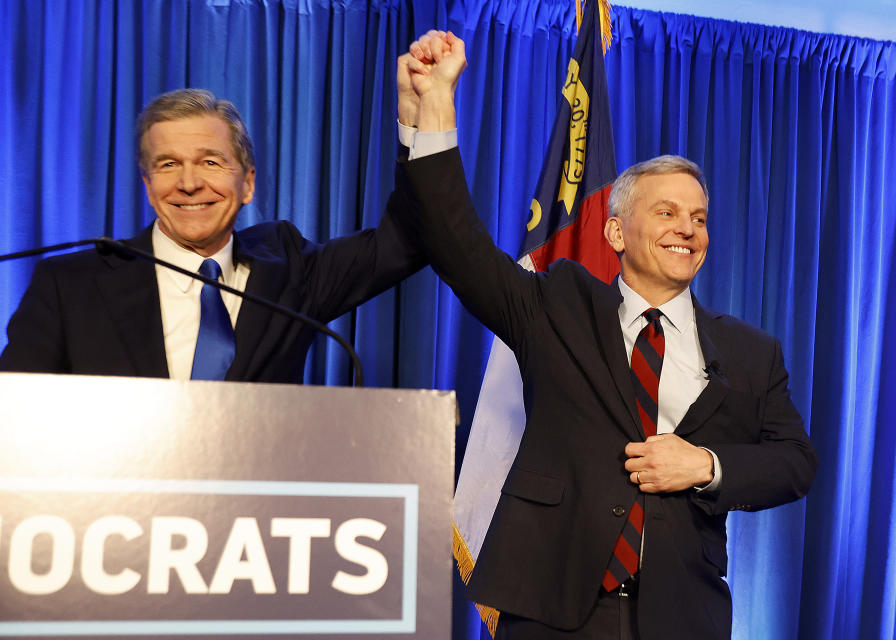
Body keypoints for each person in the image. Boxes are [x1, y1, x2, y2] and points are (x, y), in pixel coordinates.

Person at [398, 32, 817, 638]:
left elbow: (795, 463)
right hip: (551, 609)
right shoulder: (558, 305)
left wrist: (705, 465)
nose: (688, 229)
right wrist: (435, 105)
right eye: (666, 213)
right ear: (616, 233)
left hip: (680, 615)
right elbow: (456, 244)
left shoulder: (753, 352)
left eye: (699, 218)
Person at [0, 67, 448, 382]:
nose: (189, 183)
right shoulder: (70, 284)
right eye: (169, 163)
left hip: (254, 514)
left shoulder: (291, 271)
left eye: (210, 162)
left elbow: (407, 241)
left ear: (247, 183)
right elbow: (15, 418)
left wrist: (418, 115)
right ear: (148, 183)